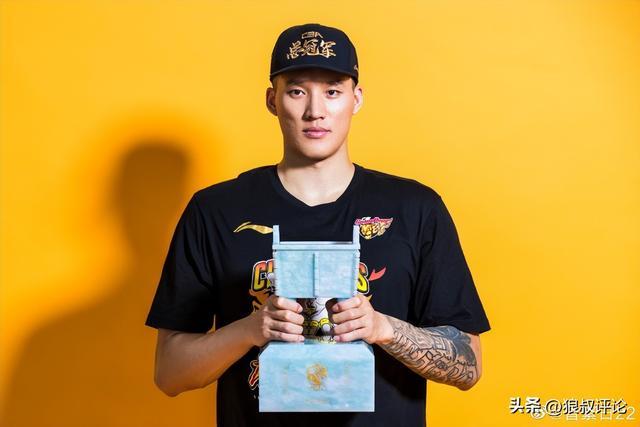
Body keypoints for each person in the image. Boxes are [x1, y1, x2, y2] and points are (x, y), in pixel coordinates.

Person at [145, 23, 491, 427]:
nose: (315, 110)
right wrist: (251, 329)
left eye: (332, 91)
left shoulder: (415, 208)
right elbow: (170, 373)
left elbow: (469, 366)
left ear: (356, 99)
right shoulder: (216, 210)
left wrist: (383, 328)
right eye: (296, 91)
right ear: (272, 100)